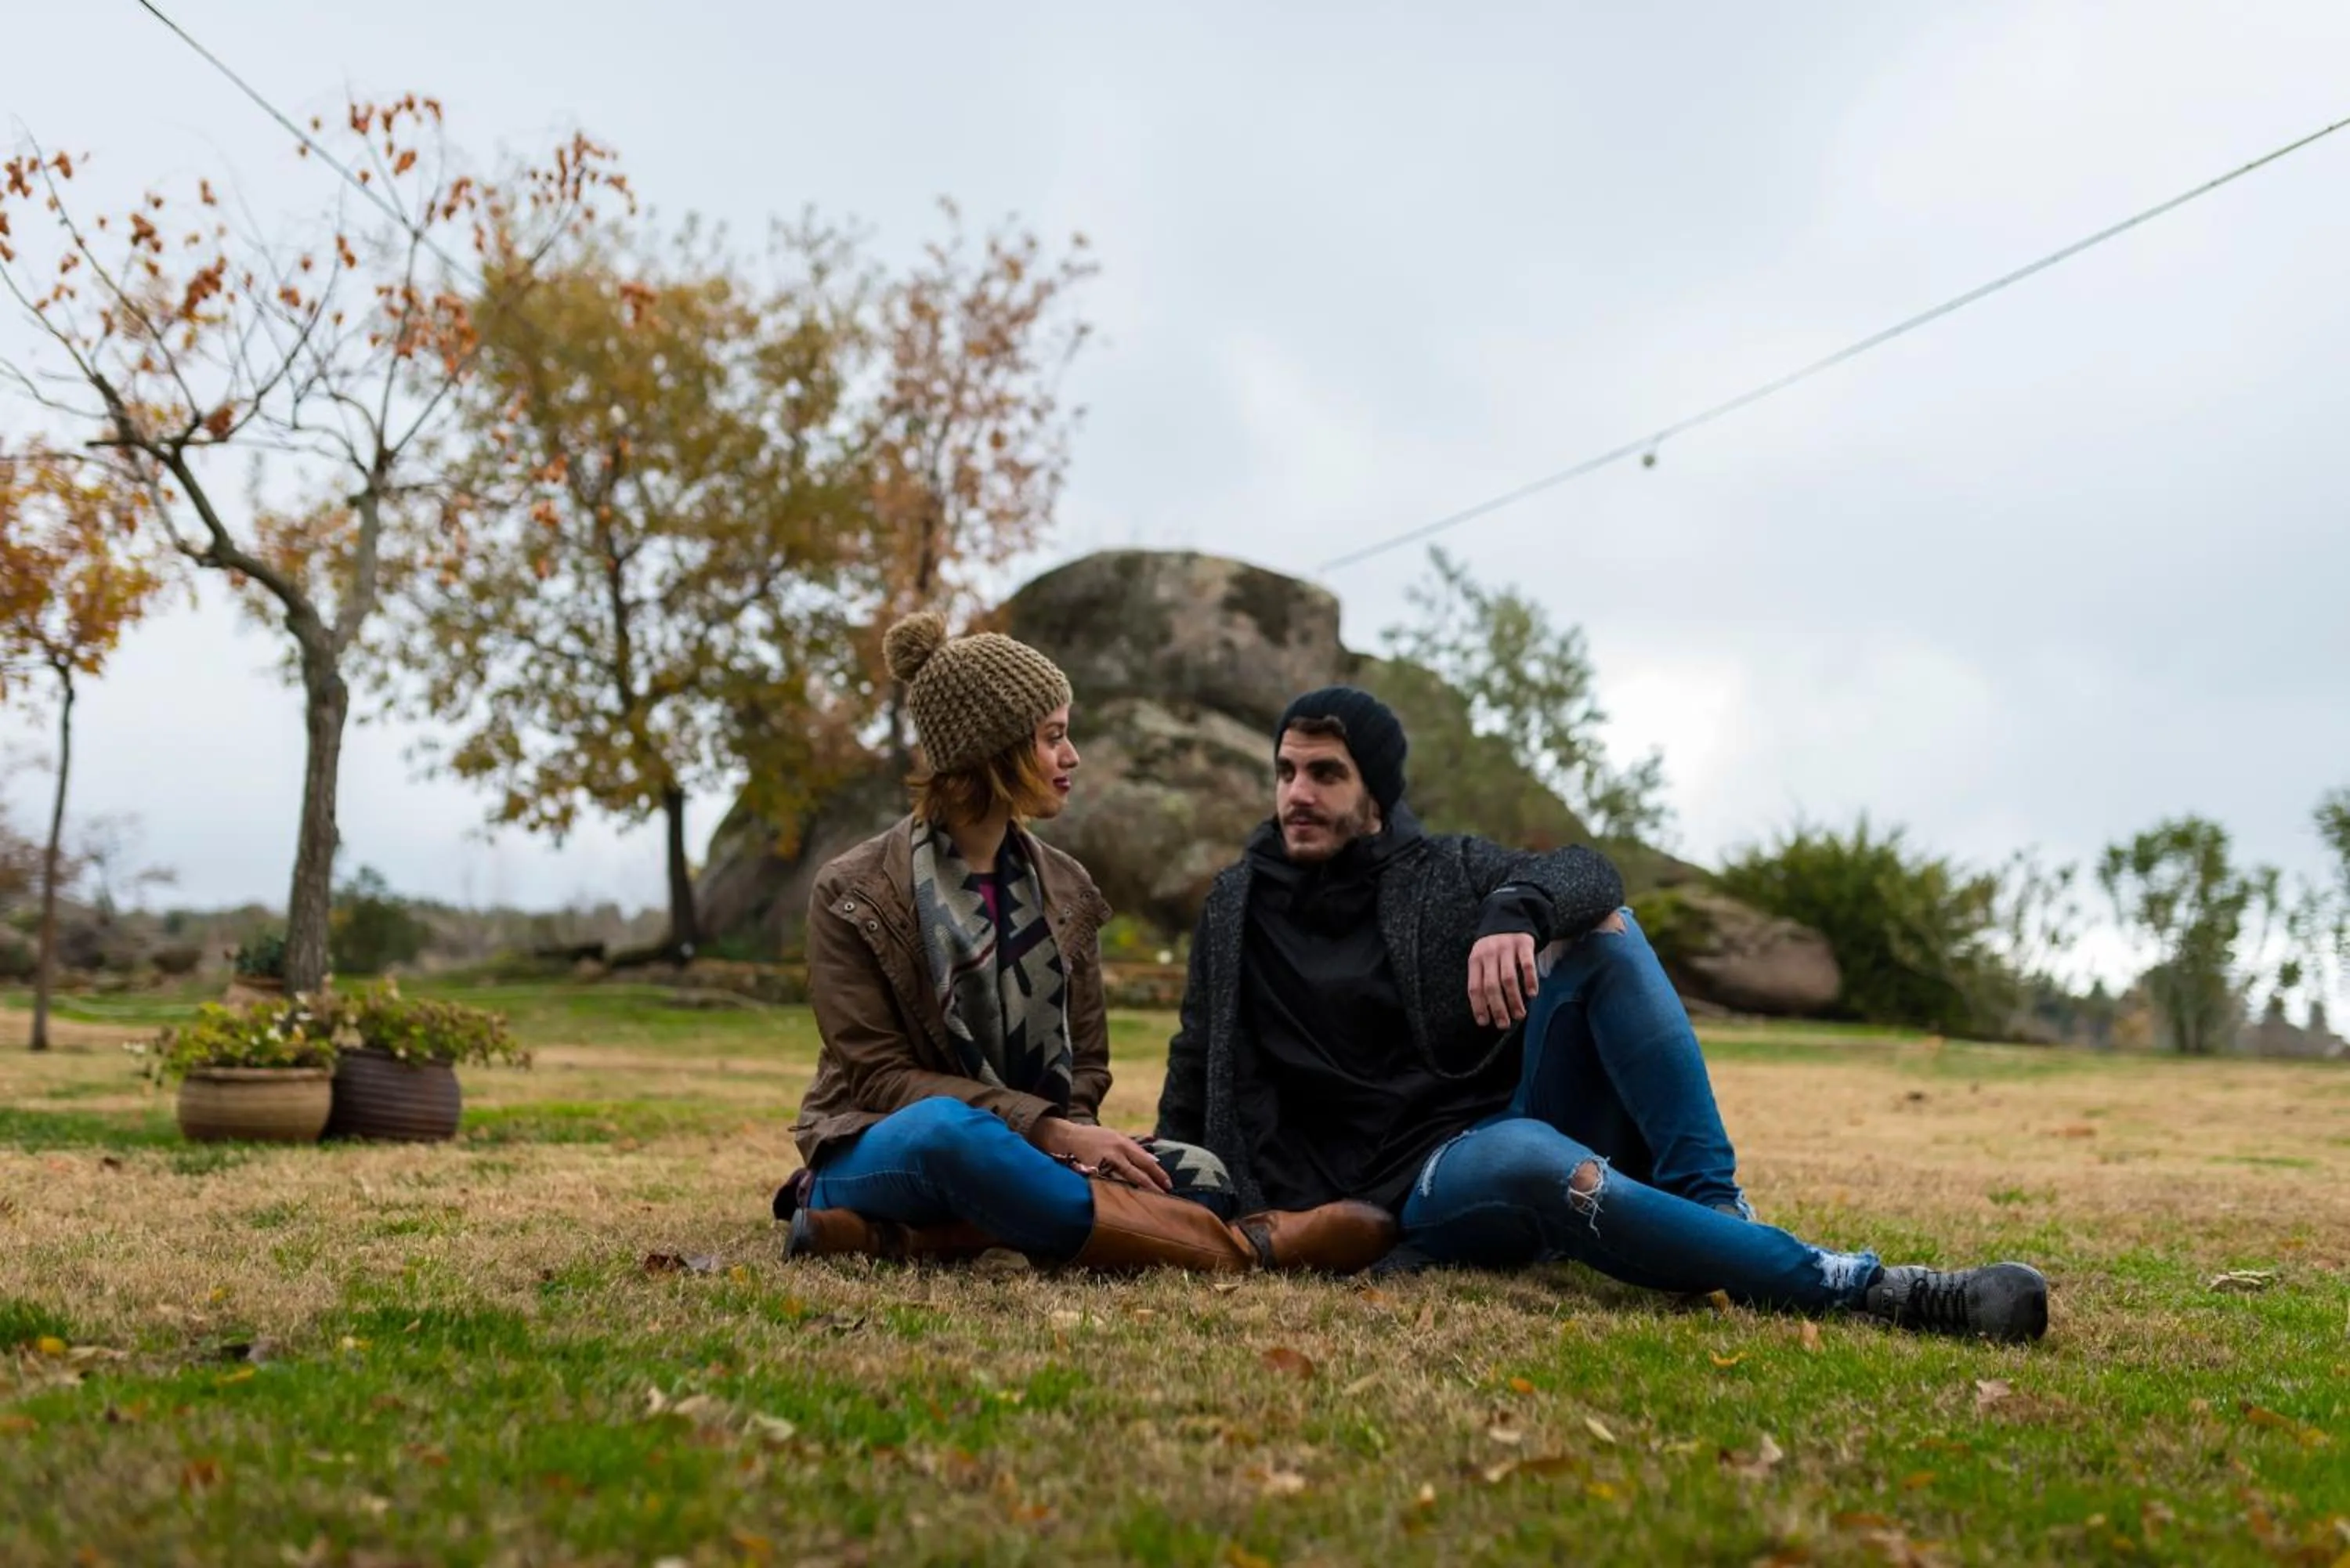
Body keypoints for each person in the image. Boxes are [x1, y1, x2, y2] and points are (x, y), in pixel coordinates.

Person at [1153, 685, 2048, 1341]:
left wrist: (1515, 909)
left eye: (1324, 773)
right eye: (1285, 772)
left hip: (1472, 1128)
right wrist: (1167, 1185)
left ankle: (1714, 1214)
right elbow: (1198, 1056)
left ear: (1377, 798)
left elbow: (1590, 873)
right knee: (1532, 1156)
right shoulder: (1237, 905)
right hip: (1392, 1200)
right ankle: (1866, 1285)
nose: (1296, 794)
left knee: (1601, 932)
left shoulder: (1442, 872)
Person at [776, 616, 1396, 1274]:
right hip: (882, 1142)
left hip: (1033, 1151)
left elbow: (1088, 1067)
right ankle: (1237, 1249)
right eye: (1053, 738)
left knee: (1199, 1175)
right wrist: (1048, 1131)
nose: (1072, 757)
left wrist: (1073, 1139)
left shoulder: (1067, 888)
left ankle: (909, 1238)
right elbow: (880, 1078)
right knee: (949, 1135)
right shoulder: (855, 889)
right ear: (994, 749)